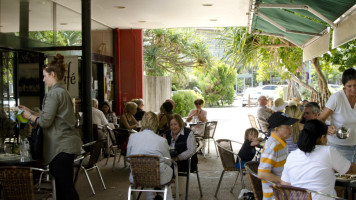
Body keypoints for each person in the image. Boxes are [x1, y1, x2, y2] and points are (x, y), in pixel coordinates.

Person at [20, 54, 82, 200]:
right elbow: (51, 116)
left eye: (44, 76)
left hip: (59, 146)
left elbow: (45, 122)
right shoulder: (62, 92)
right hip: (65, 145)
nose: (43, 79)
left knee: (65, 189)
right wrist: (31, 111)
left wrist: (28, 116)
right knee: (64, 188)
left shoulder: (53, 94)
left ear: (52, 74)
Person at [281, 119, 356, 200]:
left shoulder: (292, 156)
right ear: (322, 137)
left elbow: (285, 184)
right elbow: (350, 169)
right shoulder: (328, 151)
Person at [127, 111, 173, 200]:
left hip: (137, 176)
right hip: (158, 177)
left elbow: (128, 158)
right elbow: (168, 161)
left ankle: (150, 197)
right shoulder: (161, 140)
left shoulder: (132, 137)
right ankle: (168, 197)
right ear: (156, 123)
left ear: (143, 122)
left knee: (146, 170)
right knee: (160, 169)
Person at [318, 68, 356, 163]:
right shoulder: (336, 98)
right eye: (349, 86)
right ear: (343, 86)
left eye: (355, 85)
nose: (353, 89)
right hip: (339, 147)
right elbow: (320, 119)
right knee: (341, 176)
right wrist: (327, 128)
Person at [258, 112, 298, 200]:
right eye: (288, 127)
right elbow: (262, 174)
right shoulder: (272, 147)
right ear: (276, 129)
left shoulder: (281, 142)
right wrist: (283, 180)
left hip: (283, 193)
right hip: (274, 196)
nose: (291, 129)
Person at [165, 114, 197, 196]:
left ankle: (166, 193)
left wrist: (177, 158)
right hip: (170, 161)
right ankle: (163, 192)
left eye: (175, 124)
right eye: (171, 125)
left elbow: (191, 150)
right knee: (159, 167)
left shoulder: (188, 133)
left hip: (185, 162)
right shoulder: (167, 133)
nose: (173, 127)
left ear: (180, 123)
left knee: (164, 169)